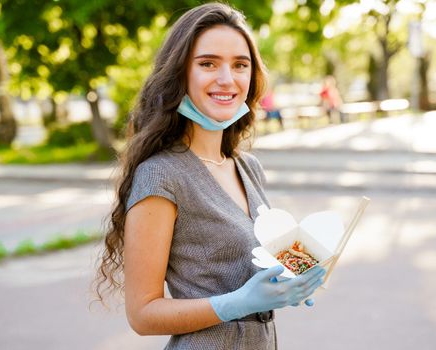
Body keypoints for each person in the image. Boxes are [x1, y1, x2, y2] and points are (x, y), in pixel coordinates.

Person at [94, 3, 326, 349]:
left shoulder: (248, 167)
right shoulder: (161, 175)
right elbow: (142, 315)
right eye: (207, 64)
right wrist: (239, 303)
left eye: (240, 65)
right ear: (180, 74)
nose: (226, 79)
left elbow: (254, 263)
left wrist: (297, 273)